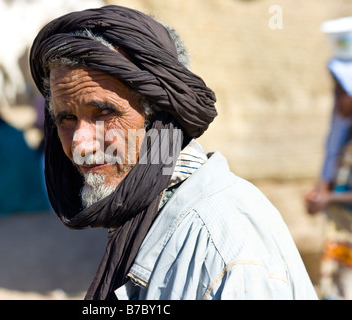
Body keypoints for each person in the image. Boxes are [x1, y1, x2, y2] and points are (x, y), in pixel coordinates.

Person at [29, 5, 318, 300]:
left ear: (159, 115)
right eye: (66, 119)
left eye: (103, 113)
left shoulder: (222, 245)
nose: (80, 143)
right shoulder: (149, 216)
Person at [305, 58, 352, 300]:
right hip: (340, 239)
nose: (336, 97)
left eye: (341, 91)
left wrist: (329, 197)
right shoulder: (343, 136)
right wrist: (319, 197)